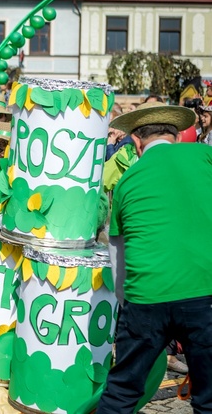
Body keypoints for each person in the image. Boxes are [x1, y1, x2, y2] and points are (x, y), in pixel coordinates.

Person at [96, 102, 212, 413]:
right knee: (209, 395)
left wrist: (126, 303)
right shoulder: (204, 155)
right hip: (203, 290)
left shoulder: (126, 180)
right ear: (176, 135)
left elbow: (116, 252)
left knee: (122, 390)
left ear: (136, 141)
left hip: (146, 295)